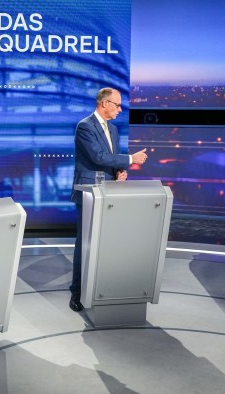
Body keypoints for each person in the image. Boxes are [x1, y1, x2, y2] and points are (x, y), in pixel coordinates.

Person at [69, 87, 148, 312]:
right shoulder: (85, 126)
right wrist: (131, 159)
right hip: (88, 192)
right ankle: (77, 292)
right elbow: (98, 156)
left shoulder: (112, 129)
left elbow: (109, 160)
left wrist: (118, 172)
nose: (120, 109)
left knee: (104, 244)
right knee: (84, 244)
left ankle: (99, 288)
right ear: (104, 103)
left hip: (109, 191)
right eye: (117, 104)